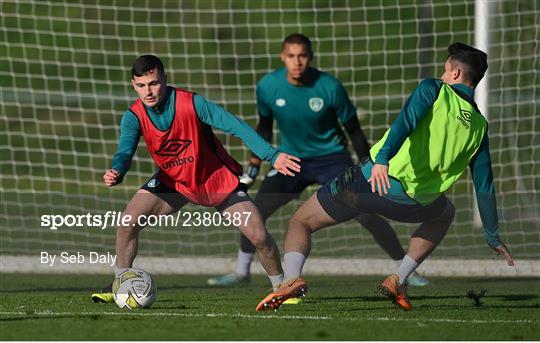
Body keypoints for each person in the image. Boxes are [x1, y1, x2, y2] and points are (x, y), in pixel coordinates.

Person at [256, 42, 514, 312]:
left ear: (456, 74)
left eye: (445, 70)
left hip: (370, 183)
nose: (442, 75)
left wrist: (381, 160)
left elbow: (406, 121)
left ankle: (291, 279)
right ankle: (399, 279)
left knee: (301, 221)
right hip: (416, 204)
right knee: (445, 212)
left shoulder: (435, 89)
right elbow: (484, 185)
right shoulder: (480, 127)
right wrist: (493, 236)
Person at [207, 33, 430, 293]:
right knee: (255, 209)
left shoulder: (330, 87)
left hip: (332, 160)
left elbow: (354, 131)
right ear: (283, 57)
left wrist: (368, 167)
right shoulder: (268, 86)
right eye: (291, 56)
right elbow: (264, 126)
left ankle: (403, 269)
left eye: (302, 56)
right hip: (291, 161)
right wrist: (254, 167)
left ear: (310, 58)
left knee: (366, 213)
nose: (297, 62)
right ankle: (241, 271)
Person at [91, 55, 301, 303]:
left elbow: (236, 126)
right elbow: (125, 150)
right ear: (133, 85)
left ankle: (281, 289)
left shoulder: (191, 103)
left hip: (215, 179)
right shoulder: (134, 116)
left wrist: (272, 156)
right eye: (140, 85)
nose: (147, 91)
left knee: (259, 237)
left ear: (165, 80)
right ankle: (120, 283)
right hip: (174, 182)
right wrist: (117, 170)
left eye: (153, 83)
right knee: (127, 222)